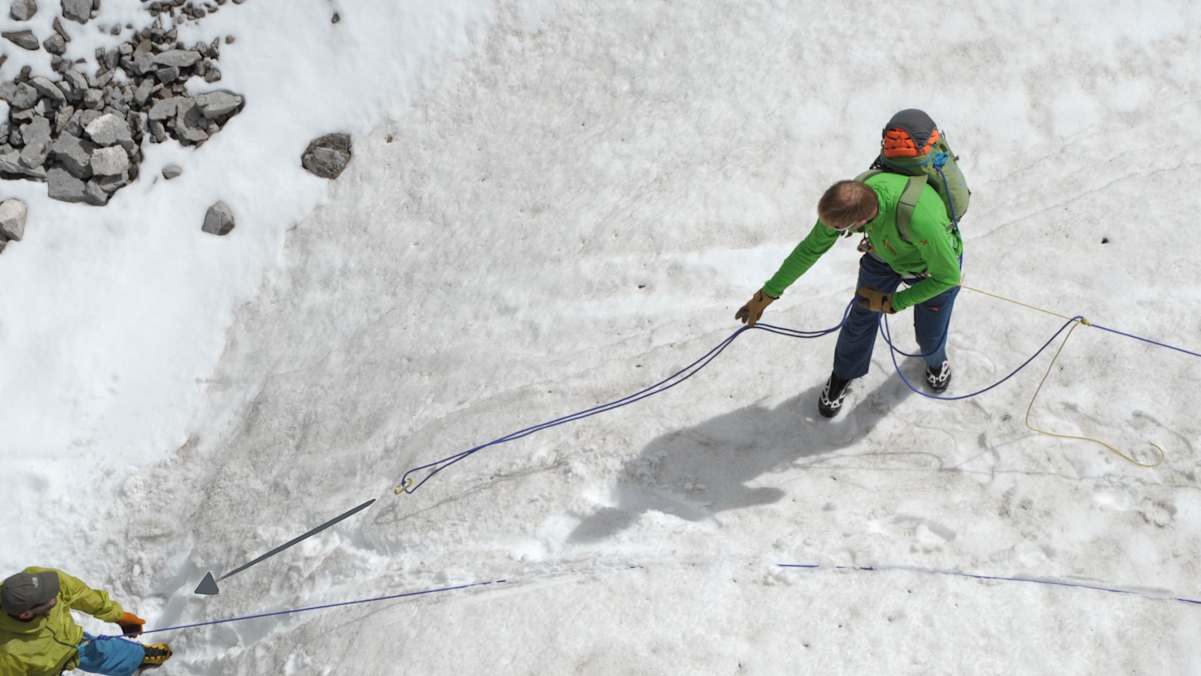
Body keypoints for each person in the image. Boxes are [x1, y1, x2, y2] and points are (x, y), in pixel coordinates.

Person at [736, 117, 964, 418]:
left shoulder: (920, 218)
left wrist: (894, 302)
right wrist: (766, 295)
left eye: (838, 229)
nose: (831, 232)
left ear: (859, 223)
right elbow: (810, 248)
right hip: (883, 255)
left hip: (930, 268)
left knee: (930, 333)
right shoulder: (854, 197)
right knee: (859, 320)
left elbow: (949, 278)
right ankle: (844, 374)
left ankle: (936, 361)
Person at [0, 567, 171, 675]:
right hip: (45, 670)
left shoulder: (42, 580)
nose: (56, 595)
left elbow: (81, 595)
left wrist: (119, 616)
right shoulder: (8, 655)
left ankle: (138, 657)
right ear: (26, 614)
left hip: (74, 641)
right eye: (50, 600)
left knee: (108, 651)